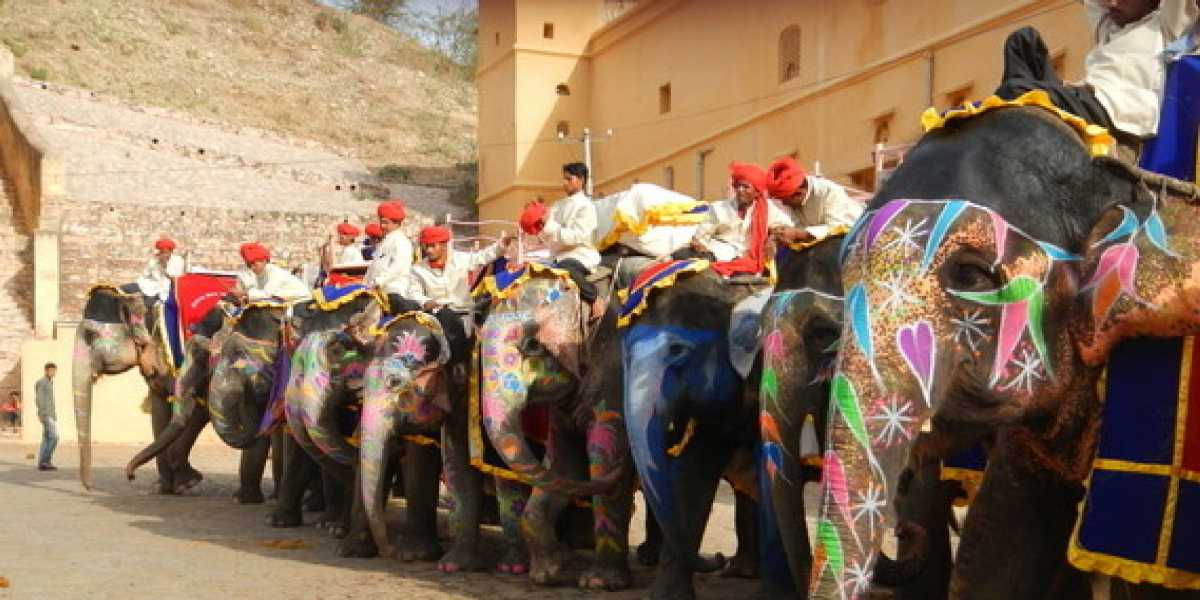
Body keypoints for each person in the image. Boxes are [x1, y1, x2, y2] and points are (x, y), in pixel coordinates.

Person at [994, 1, 1199, 144]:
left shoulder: (1167, 26)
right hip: (1081, 98)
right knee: (1023, 40)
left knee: (1016, 90)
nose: (1112, 4)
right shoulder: (1108, 27)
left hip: (1115, 109)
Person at [410, 225, 511, 361]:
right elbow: (414, 293)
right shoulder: (417, 269)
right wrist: (427, 302)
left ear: (444, 245)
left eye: (433, 246)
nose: (428, 250)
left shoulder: (460, 259)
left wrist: (501, 245)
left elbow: (482, 257)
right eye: (425, 246)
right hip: (435, 316)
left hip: (463, 312)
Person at [518, 162, 604, 320]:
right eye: (564, 179)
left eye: (569, 179)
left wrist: (549, 225)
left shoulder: (586, 206)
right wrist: (537, 222)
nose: (564, 183)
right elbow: (548, 235)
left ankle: (594, 299)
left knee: (566, 268)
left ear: (581, 180)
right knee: (531, 272)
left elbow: (577, 237)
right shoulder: (557, 205)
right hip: (555, 256)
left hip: (580, 255)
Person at [688, 162, 793, 261]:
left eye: (745, 187)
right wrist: (704, 254)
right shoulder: (718, 208)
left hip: (751, 261)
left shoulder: (768, 209)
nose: (740, 190)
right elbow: (699, 238)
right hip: (717, 257)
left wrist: (772, 239)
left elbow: (785, 227)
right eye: (738, 186)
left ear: (757, 192)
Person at [765, 157, 863, 245]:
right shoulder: (793, 201)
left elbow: (835, 229)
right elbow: (798, 228)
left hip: (855, 237)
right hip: (822, 243)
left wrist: (796, 234)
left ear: (798, 194)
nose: (784, 204)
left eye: (785, 200)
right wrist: (782, 232)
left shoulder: (830, 192)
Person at [364, 200, 418, 306]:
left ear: (397, 223)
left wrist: (378, 282)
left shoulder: (402, 242)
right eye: (381, 222)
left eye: (385, 222)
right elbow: (374, 266)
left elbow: (397, 268)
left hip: (392, 291)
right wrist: (364, 284)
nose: (382, 226)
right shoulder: (385, 241)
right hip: (375, 290)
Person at [234, 242, 311, 303]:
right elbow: (259, 292)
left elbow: (266, 294)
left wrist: (245, 293)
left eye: (254, 264)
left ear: (263, 261)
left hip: (300, 302)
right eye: (249, 265)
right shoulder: (259, 274)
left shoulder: (275, 273)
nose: (252, 268)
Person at [136, 237, 185, 303]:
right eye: (162, 252)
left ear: (171, 252)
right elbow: (145, 275)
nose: (164, 255)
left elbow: (175, 280)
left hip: (167, 290)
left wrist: (164, 266)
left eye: (166, 252)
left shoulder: (178, 261)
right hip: (151, 287)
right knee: (127, 289)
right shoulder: (153, 261)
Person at [35, 362, 57, 471]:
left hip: (51, 414)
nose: (53, 372)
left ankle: (42, 463)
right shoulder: (42, 382)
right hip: (46, 414)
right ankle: (45, 461)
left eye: (54, 370)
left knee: (46, 439)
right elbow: (39, 399)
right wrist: (41, 414)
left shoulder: (50, 382)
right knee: (54, 437)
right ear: (46, 371)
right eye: (51, 370)